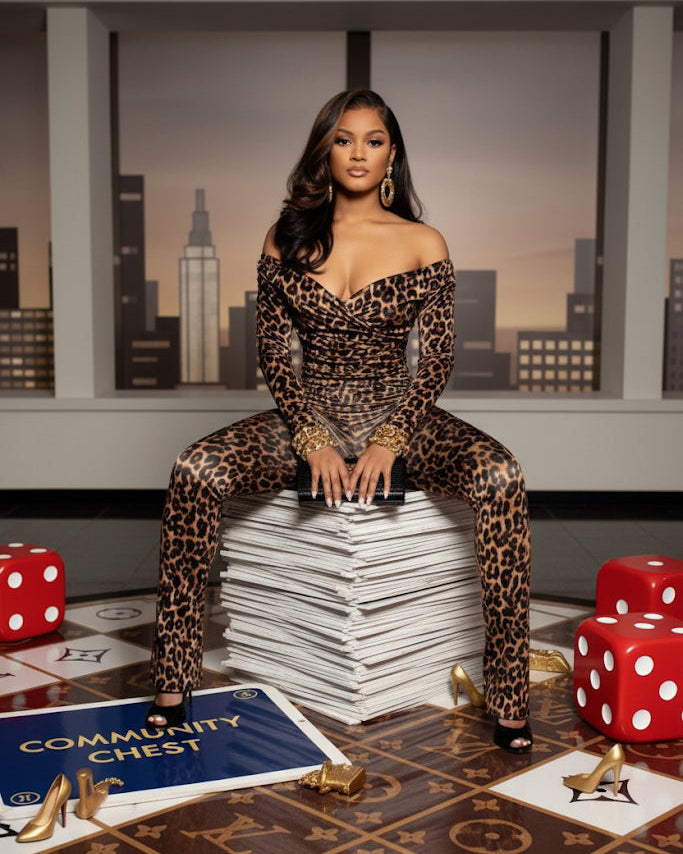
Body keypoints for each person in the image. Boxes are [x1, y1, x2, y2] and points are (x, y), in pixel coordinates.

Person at [147, 89, 532, 753]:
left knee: (500, 476)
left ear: (392, 157)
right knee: (195, 466)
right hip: (310, 407)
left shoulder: (423, 241)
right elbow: (272, 353)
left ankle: (507, 694)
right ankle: (172, 675)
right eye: (344, 139)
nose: (358, 152)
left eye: (373, 140)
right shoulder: (285, 236)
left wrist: (393, 438)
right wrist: (309, 434)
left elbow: (435, 360)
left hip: (399, 408)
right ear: (324, 151)